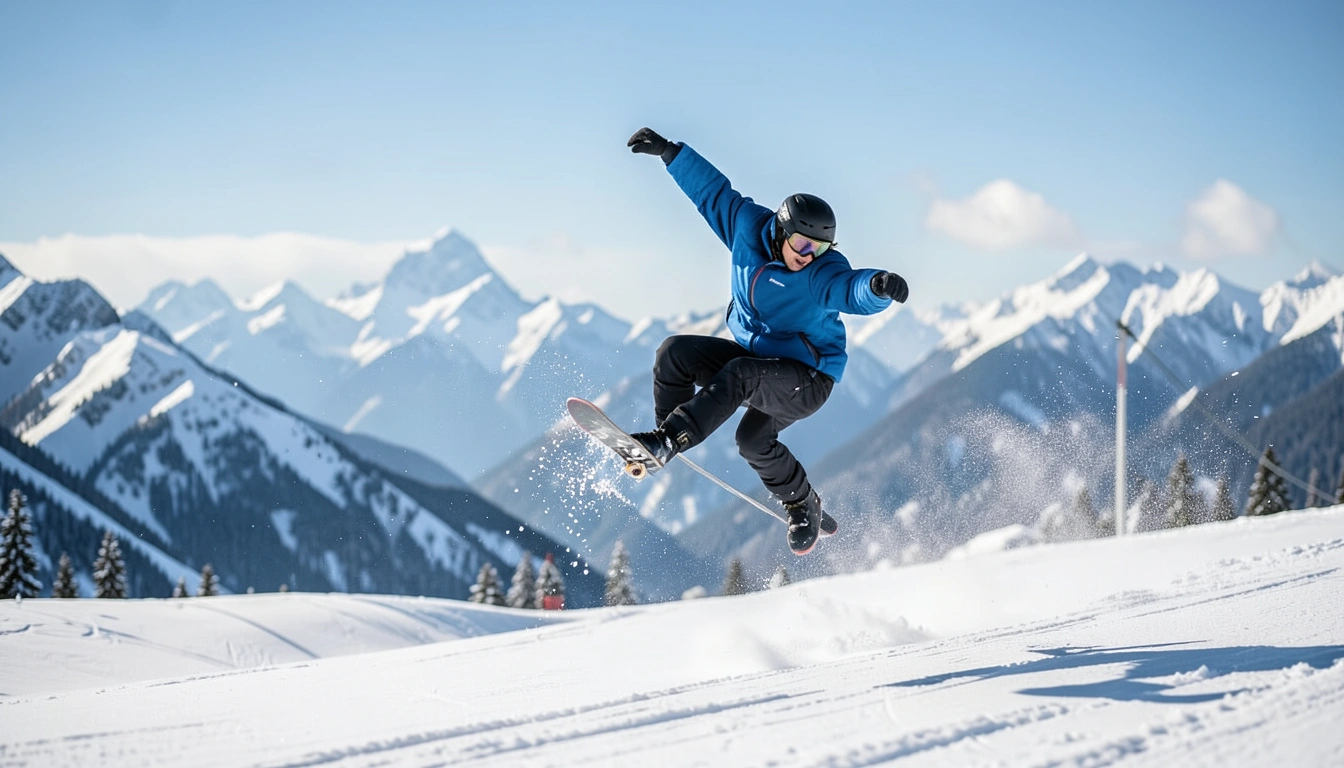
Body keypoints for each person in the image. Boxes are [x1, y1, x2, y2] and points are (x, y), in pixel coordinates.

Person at [624, 127, 909, 555]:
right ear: (779, 230)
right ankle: (669, 436)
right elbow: (712, 193)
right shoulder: (746, 227)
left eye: (820, 248)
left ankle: (798, 502)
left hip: (808, 378)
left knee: (747, 408)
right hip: (758, 358)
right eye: (802, 243)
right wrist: (671, 153)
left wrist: (879, 286)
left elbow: (852, 289)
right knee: (675, 356)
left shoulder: (821, 274)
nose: (807, 255)